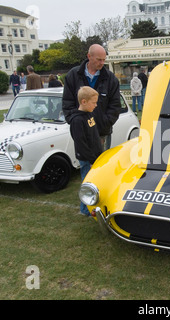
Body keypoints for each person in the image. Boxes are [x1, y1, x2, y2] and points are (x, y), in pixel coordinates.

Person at [62, 44, 121, 151]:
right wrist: (76, 122)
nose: (102, 63)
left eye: (104, 60)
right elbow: (67, 103)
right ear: (89, 56)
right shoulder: (73, 76)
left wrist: (104, 123)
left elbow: (115, 106)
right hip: (81, 133)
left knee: (102, 165)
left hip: (102, 133)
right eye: (99, 60)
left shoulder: (111, 79)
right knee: (85, 165)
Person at [69, 86, 102, 216]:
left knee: (94, 181)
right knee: (87, 182)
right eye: (93, 102)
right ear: (84, 102)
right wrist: (91, 159)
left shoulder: (89, 114)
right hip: (87, 159)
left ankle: (91, 205)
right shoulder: (77, 120)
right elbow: (81, 143)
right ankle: (85, 209)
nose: (96, 105)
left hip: (95, 156)